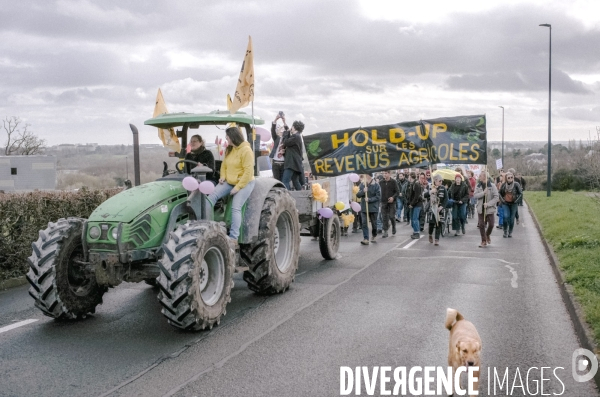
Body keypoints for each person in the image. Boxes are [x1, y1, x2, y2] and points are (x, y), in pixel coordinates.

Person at [206, 126, 255, 243]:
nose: (226, 139)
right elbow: (224, 165)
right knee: (209, 198)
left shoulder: (246, 151)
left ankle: (233, 238)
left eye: (227, 137)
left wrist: (237, 188)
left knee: (235, 207)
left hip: (244, 182)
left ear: (233, 137)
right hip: (229, 181)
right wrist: (222, 177)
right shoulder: (230, 149)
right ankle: (207, 228)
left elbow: (248, 173)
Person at [473, 171, 499, 248]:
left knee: (491, 224)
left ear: (485, 176)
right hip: (481, 208)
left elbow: (496, 197)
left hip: (489, 209)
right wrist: (483, 193)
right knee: (481, 225)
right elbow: (475, 195)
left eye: (480, 176)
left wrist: (488, 204)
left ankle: (487, 235)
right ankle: (483, 240)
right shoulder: (478, 186)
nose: (479, 177)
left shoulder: (492, 186)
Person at [356, 174, 381, 245]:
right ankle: (366, 238)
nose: (365, 176)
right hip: (364, 207)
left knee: (374, 223)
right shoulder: (362, 184)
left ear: (369, 176)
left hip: (373, 208)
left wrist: (369, 199)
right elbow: (358, 195)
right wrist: (363, 191)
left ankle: (374, 234)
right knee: (364, 223)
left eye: (366, 175)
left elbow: (378, 197)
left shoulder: (376, 185)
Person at [281, 120, 305, 190]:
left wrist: (286, 133)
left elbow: (285, 142)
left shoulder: (296, 136)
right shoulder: (297, 136)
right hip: (296, 164)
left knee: (285, 181)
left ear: (294, 127)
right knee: (295, 181)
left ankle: (288, 197)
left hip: (291, 163)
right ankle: (302, 196)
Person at [425, 174, 448, 246]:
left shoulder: (443, 188)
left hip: (439, 209)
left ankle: (437, 239)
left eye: (442, 181)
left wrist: (442, 206)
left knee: (439, 223)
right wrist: (431, 192)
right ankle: (430, 234)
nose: (441, 182)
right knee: (431, 223)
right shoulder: (430, 186)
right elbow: (424, 195)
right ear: (435, 181)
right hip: (432, 208)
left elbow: (446, 199)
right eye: (440, 181)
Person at [499, 172, 523, 238]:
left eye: (511, 177)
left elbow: (520, 193)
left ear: (513, 178)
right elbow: (499, 193)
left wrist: (516, 201)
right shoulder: (504, 185)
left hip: (513, 203)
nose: (510, 179)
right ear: (506, 178)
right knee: (506, 216)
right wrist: (503, 200)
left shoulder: (516, 184)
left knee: (512, 219)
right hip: (505, 203)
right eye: (508, 178)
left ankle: (510, 232)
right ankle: (505, 231)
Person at [379, 170, 399, 238]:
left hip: (392, 202)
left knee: (391, 216)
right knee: (384, 217)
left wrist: (393, 197)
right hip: (383, 202)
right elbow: (379, 192)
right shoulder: (381, 182)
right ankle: (385, 231)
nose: (384, 175)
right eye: (384, 173)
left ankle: (393, 226)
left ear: (389, 174)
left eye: (386, 173)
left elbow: (397, 192)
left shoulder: (393, 182)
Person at [269, 112, 286, 181]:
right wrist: (275, 119)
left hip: (283, 163)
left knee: (283, 180)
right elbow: (272, 130)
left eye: (282, 130)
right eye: (279, 130)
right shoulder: (276, 138)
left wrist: (284, 122)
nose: (281, 131)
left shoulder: (286, 139)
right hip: (276, 162)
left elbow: (288, 130)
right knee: (277, 180)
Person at [407, 171, 423, 239]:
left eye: (408, 176)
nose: (408, 178)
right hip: (415, 204)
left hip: (417, 204)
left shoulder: (416, 184)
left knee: (415, 218)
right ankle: (415, 231)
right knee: (413, 219)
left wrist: (412, 204)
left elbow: (416, 196)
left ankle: (417, 232)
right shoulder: (412, 184)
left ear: (410, 177)